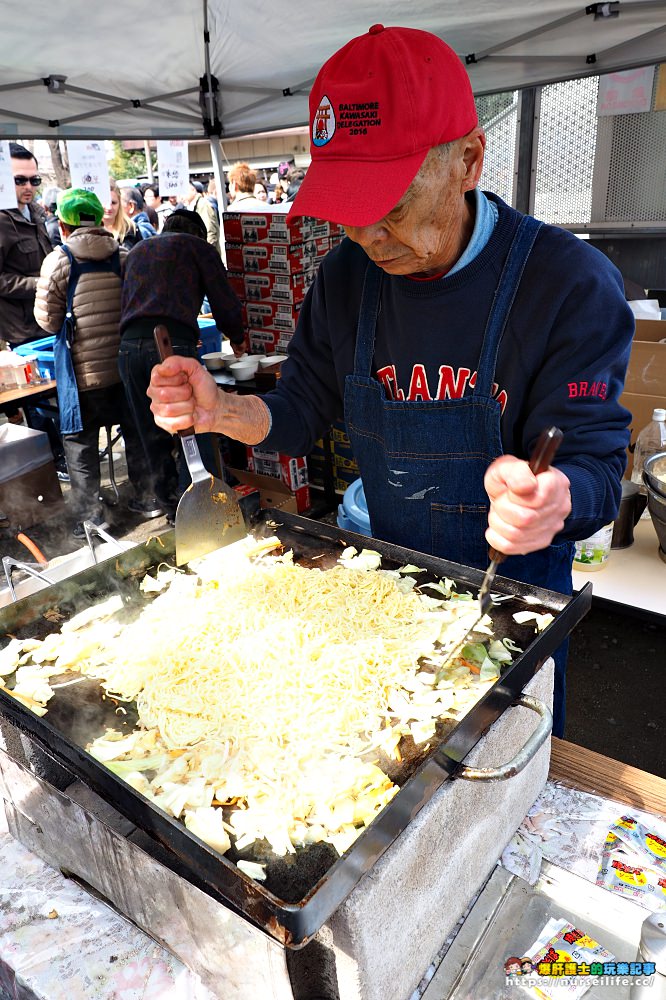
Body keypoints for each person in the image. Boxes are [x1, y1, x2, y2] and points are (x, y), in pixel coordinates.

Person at [148, 25, 634, 737]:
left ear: (468, 159)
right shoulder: (346, 279)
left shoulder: (568, 284)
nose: (372, 236)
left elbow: (597, 471)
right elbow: (302, 407)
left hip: (510, 595)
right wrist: (223, 409)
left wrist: (555, 498)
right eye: (351, 210)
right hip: (381, 586)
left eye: (394, 206)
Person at [34, 188, 153, 536]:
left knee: (80, 445)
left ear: (64, 225)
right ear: (101, 219)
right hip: (122, 368)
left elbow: (47, 321)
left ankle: (91, 518)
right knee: (134, 432)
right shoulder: (124, 256)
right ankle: (148, 498)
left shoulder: (59, 261)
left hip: (81, 376)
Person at [120, 208, 244, 521]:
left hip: (127, 349)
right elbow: (223, 300)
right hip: (170, 344)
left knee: (152, 428)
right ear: (199, 233)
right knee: (196, 427)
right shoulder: (197, 247)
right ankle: (204, 510)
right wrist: (238, 337)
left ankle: (172, 508)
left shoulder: (137, 250)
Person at [0, 143, 53, 345]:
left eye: (34, 180)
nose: (29, 186)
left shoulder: (37, 214)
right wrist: (38, 284)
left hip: (46, 323)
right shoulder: (2, 220)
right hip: (18, 333)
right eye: (20, 180)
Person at [103, 179, 144, 249]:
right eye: (104, 202)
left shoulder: (131, 228)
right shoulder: (88, 230)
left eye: (113, 203)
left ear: (119, 203)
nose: (109, 207)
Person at [184, 180, 220, 251]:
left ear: (193, 190)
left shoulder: (202, 204)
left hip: (207, 254)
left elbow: (210, 231)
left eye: (185, 190)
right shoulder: (194, 205)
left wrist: (207, 252)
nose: (182, 194)